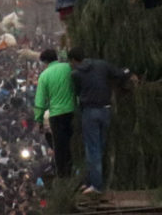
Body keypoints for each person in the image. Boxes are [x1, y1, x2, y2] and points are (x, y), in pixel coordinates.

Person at [69, 54, 133, 190]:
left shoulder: (76, 74)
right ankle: (91, 180)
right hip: (105, 110)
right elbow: (120, 74)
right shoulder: (102, 65)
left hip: (89, 112)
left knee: (93, 149)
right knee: (100, 147)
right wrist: (128, 70)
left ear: (73, 60)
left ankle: (95, 185)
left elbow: (77, 93)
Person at [32, 49, 76, 179]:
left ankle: (64, 177)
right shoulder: (68, 68)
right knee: (73, 144)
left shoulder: (44, 75)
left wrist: (39, 120)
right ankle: (76, 172)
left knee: (60, 147)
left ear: (45, 61)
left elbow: (40, 102)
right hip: (73, 112)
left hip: (56, 115)